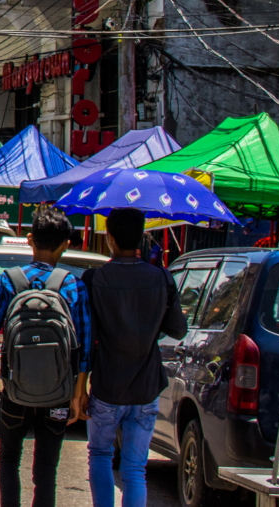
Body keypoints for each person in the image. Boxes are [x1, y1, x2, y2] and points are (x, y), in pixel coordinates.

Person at [0, 205, 90, 507]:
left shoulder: (10, 280)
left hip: (15, 393)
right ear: (66, 245)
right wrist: (77, 393)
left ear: (29, 239)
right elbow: (83, 345)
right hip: (57, 395)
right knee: (46, 469)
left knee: (8, 459)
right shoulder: (72, 284)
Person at [79, 208, 188, 507]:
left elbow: (86, 340)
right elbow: (178, 329)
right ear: (141, 236)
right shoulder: (162, 277)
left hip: (106, 386)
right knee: (135, 469)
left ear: (110, 238)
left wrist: (80, 388)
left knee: (100, 455)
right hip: (146, 388)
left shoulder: (93, 279)